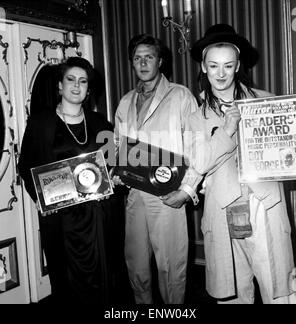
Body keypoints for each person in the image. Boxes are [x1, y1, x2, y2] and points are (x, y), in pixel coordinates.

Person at [185, 23, 296, 304]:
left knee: (280, 291)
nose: (220, 74)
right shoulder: (195, 116)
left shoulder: (267, 101)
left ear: (238, 66)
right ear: (203, 67)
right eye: (213, 66)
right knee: (233, 295)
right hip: (223, 208)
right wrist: (227, 129)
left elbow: (289, 150)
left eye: (227, 66)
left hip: (266, 206)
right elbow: (198, 163)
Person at [18, 57, 115, 305]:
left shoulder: (100, 123)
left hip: (97, 217)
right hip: (61, 219)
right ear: (60, 85)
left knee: (101, 281)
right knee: (65, 283)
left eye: (83, 81)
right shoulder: (41, 123)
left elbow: (114, 162)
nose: (76, 86)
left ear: (89, 89)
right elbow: (26, 166)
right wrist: (45, 200)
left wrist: (114, 178)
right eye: (70, 80)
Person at [113, 34, 201, 304]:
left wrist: (187, 191)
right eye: (137, 58)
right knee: (136, 264)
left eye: (148, 57)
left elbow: (199, 147)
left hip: (167, 195)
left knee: (170, 266)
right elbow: (118, 143)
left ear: (160, 61)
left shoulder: (180, 95)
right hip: (134, 195)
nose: (142, 63)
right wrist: (118, 171)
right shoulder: (126, 101)